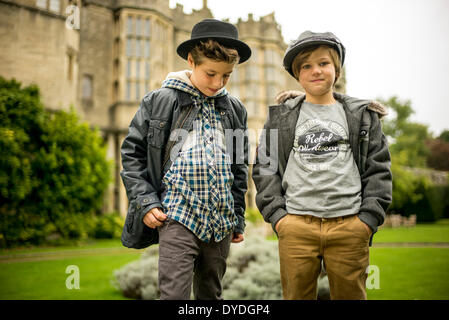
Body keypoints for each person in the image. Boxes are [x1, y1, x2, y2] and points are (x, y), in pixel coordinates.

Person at [252, 30, 392, 300]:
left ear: (336, 71)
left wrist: (366, 220)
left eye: (323, 63)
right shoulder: (279, 118)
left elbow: (380, 170)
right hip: (296, 226)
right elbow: (264, 167)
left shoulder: (363, 117)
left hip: (349, 225)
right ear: (297, 75)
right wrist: (280, 218)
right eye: (306, 66)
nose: (316, 71)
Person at [120, 19, 251, 300]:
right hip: (177, 216)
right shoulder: (160, 101)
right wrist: (145, 202)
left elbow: (239, 168)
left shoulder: (235, 110)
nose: (218, 84)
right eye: (210, 73)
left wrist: (238, 218)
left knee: (211, 295)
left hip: (221, 221)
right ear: (191, 61)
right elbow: (132, 155)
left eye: (226, 76)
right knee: (174, 296)